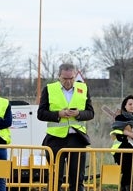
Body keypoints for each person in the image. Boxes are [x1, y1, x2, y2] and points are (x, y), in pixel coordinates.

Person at [37, 63, 94, 191]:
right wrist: (58, 114)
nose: (68, 82)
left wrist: (79, 114)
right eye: (65, 79)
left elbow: (91, 113)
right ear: (59, 77)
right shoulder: (49, 89)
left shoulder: (83, 89)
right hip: (56, 139)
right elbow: (40, 114)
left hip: (77, 138)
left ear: (75, 76)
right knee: (55, 179)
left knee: (77, 179)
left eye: (71, 78)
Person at [110, 95, 133, 191]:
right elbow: (119, 134)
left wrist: (128, 132)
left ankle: (125, 188)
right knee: (127, 170)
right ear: (124, 106)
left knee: (128, 171)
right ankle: (129, 188)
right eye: (130, 104)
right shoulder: (119, 118)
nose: (132, 106)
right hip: (121, 149)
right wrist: (132, 133)